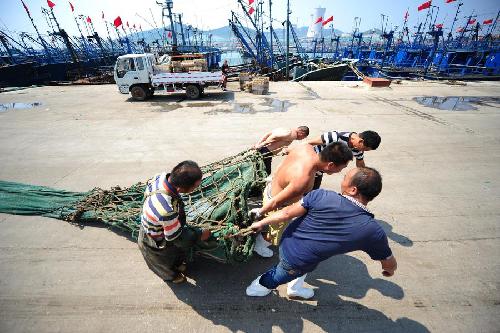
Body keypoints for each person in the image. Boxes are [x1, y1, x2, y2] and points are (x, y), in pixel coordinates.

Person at [246, 167, 397, 299]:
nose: (342, 178)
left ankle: (294, 288)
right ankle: (258, 287)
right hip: (299, 260)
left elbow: (286, 213)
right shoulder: (373, 231)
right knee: (278, 276)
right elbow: (389, 263)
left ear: (353, 190)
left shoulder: (322, 195)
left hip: (288, 242)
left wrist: (260, 222)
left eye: (345, 177)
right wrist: (389, 271)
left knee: (300, 267)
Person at [249, 142, 353, 258]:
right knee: (275, 233)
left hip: (270, 188)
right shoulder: (304, 179)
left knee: (267, 216)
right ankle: (260, 244)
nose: (340, 171)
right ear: (331, 165)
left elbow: (288, 151)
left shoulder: (305, 147)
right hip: (276, 204)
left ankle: (263, 222)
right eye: (341, 168)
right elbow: (276, 202)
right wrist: (259, 212)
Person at [138, 160, 211, 284]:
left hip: (158, 222)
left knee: (174, 254)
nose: (196, 188)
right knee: (162, 262)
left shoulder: (160, 177)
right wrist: (199, 235)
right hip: (153, 239)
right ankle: (171, 276)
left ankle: (176, 264)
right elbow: (176, 238)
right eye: (195, 186)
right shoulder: (166, 211)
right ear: (180, 188)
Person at [307, 130, 381, 189]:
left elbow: (360, 164)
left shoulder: (357, 149)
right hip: (309, 167)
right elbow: (308, 144)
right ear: (360, 141)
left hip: (320, 172)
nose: (363, 151)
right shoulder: (334, 137)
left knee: (312, 193)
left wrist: (366, 177)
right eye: (365, 149)